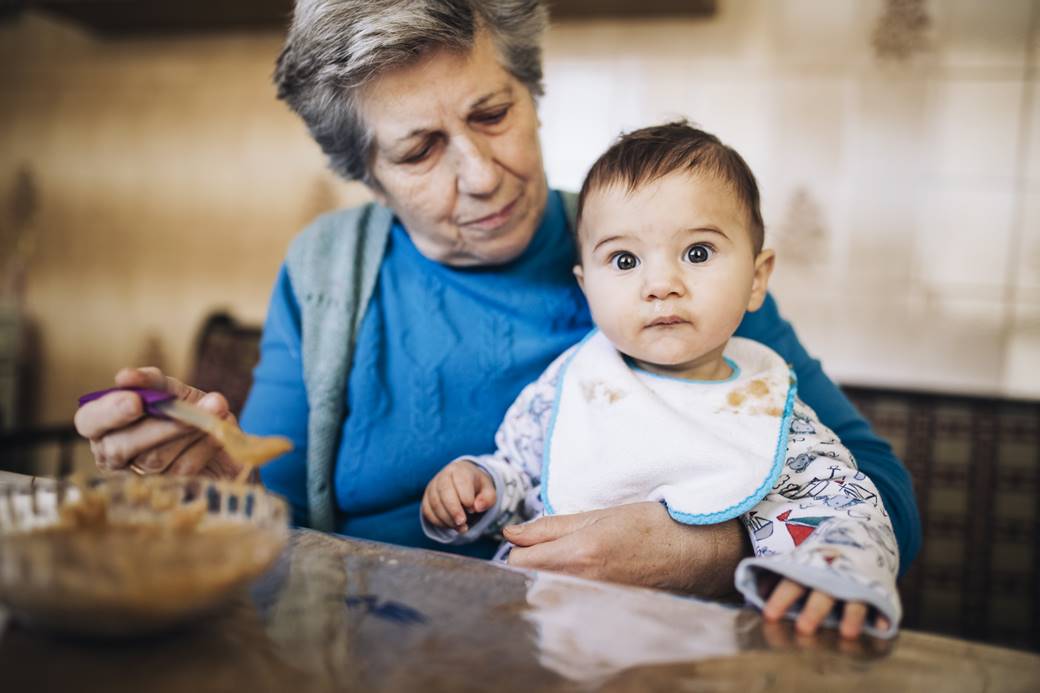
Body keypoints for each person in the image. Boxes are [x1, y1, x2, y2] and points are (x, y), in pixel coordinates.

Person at [73, 0, 920, 597]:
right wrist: (212, 480)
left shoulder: (671, 259)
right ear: (366, 173)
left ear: (534, 93)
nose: (479, 175)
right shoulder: (326, 270)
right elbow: (275, 522)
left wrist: (712, 543)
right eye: (418, 150)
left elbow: (880, 495)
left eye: (491, 112)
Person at [421, 122, 900, 639]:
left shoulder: (767, 411)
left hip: (696, 658)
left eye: (697, 253)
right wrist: (482, 488)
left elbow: (847, 511)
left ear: (757, 278)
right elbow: (521, 476)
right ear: (587, 287)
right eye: (624, 261)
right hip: (540, 642)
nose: (660, 286)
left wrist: (829, 573)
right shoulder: (577, 381)